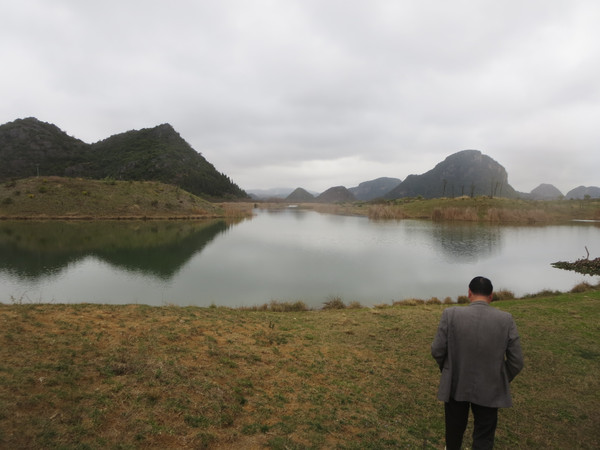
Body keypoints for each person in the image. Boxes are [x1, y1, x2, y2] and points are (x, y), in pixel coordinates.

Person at [431, 276, 524, 449]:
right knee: (484, 436)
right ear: (491, 295)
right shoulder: (506, 319)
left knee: (454, 430)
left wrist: (449, 369)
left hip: (456, 383)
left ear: (469, 293)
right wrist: (499, 378)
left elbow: (437, 350)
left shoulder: (450, 314)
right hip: (490, 387)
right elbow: (516, 361)